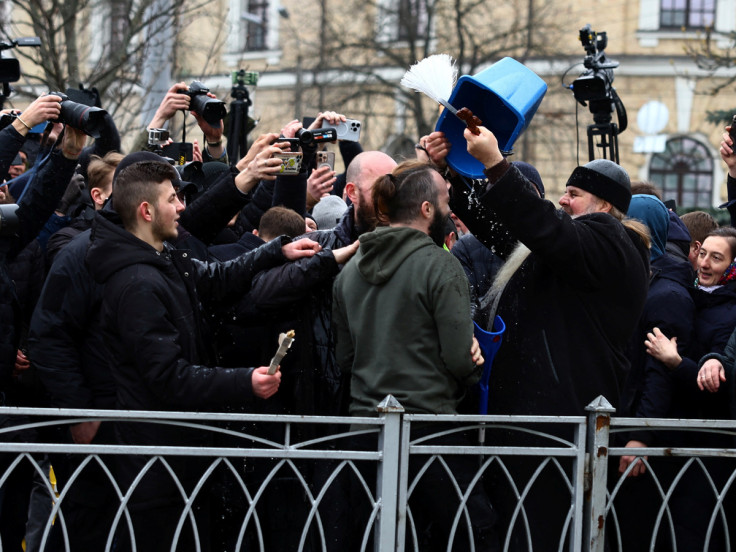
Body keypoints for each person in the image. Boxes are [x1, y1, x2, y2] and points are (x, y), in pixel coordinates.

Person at [425, 126, 650, 550]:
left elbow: (546, 227)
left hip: (557, 427)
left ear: (604, 206)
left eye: (574, 194)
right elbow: (502, 227)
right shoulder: (570, 246)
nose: (563, 201)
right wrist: (450, 173)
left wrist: (496, 165)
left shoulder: (611, 241)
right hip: (534, 428)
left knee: (542, 532)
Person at [83, 159, 319, 551]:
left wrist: (277, 251)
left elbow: (214, 277)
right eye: (172, 199)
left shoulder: (162, 258)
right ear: (146, 211)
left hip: (176, 458)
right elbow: (169, 377)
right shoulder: (137, 283)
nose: (181, 208)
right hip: (156, 464)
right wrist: (245, 382)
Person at [332, 159, 498, 551]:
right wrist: (473, 365)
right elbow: (460, 359)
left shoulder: (349, 271)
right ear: (427, 210)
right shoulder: (441, 266)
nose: (451, 209)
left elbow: (344, 359)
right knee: (474, 534)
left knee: (381, 538)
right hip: (430, 432)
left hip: (366, 434)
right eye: (446, 199)